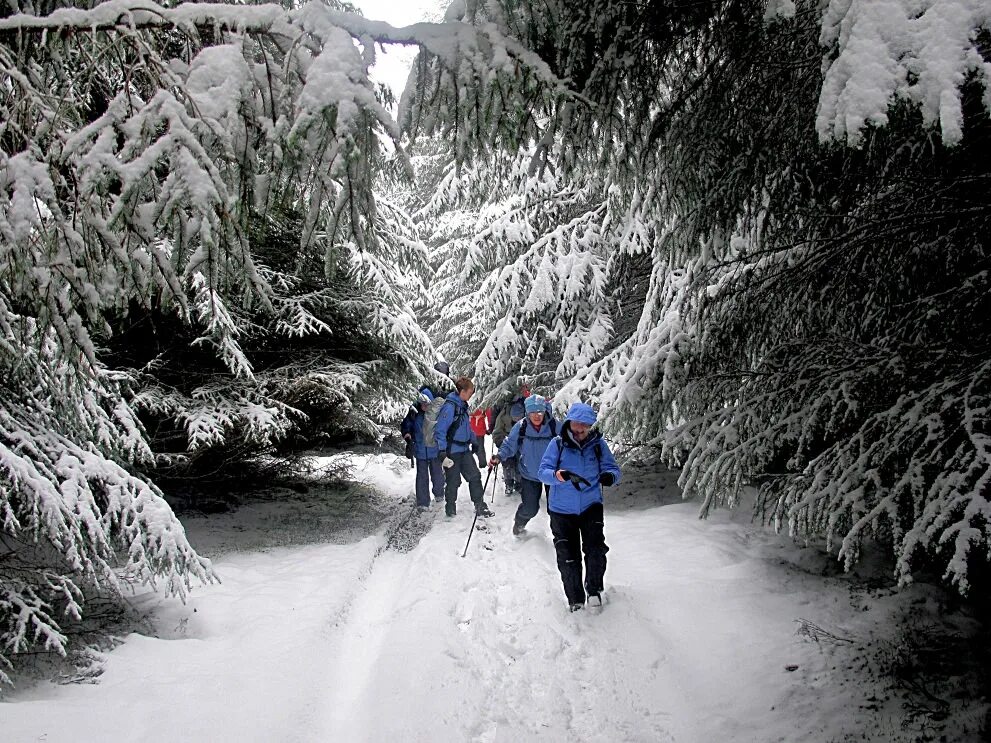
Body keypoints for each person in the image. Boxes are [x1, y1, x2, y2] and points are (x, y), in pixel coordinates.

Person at [538, 402, 621, 612]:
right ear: (569, 423)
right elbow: (543, 472)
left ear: (591, 426)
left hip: (591, 505)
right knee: (567, 555)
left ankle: (593, 590)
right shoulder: (557, 445)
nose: (580, 430)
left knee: (596, 550)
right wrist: (557, 476)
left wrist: (609, 477)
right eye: (576, 425)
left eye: (585, 425)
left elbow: (613, 468)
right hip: (561, 510)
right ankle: (575, 598)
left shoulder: (598, 445)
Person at [489, 394, 560, 536]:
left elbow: (569, 442)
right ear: (527, 413)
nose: (537, 416)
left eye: (540, 412)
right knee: (530, 508)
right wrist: (499, 456)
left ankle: (560, 537)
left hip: (553, 475)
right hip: (529, 474)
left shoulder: (555, 426)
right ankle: (520, 522)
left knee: (556, 509)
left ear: (545, 411)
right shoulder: (521, 426)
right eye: (533, 412)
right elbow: (509, 445)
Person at [435, 376, 495, 519]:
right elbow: (440, 430)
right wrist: (442, 452)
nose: (471, 395)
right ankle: (450, 508)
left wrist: (473, 441)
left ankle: (480, 505)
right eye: (470, 392)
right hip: (452, 452)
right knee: (453, 481)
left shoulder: (462, 405)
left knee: (475, 476)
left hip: (464, 450)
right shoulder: (450, 407)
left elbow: (466, 427)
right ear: (462, 391)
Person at [400, 389, 445, 509]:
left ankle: (439, 494)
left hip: (434, 449)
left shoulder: (436, 413)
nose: (425, 406)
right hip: (420, 450)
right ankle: (423, 502)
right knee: (422, 477)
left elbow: (442, 428)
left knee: (437, 474)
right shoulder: (414, 414)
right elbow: (406, 426)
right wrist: (408, 438)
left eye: (427, 404)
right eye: (423, 404)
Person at [490, 383, 529, 495]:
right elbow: (497, 431)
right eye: (515, 418)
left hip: (521, 442)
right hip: (506, 440)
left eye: (519, 418)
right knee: (507, 463)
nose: (517, 420)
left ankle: (519, 483)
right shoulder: (503, 416)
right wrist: (500, 441)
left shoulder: (525, 417)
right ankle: (508, 483)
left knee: (520, 463)